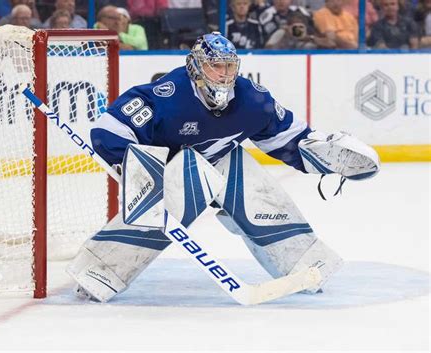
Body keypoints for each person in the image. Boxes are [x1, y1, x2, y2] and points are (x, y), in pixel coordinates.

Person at [66, 32, 380, 303]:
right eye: (215, 65)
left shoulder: (252, 100)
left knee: (255, 185)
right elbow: (111, 130)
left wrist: (322, 153)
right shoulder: (168, 95)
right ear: (196, 67)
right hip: (172, 173)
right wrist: (134, 169)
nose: (224, 74)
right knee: (179, 184)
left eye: (230, 66)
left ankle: (303, 261)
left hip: (221, 163)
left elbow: (288, 137)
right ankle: (100, 269)